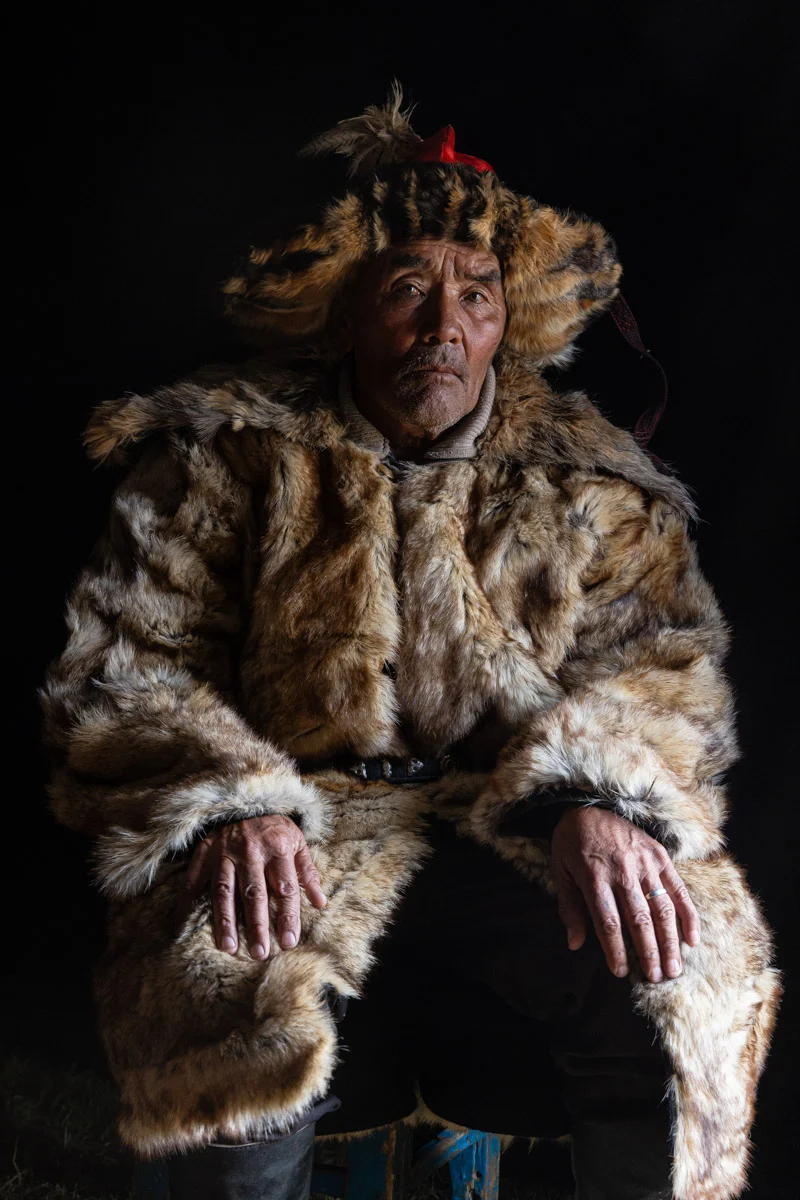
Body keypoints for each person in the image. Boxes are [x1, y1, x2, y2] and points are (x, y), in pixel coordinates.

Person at [40, 82, 780, 1200]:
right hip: (296, 829)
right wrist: (233, 803)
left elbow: (665, 665)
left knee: (672, 967)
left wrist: (598, 797)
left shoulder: (590, 478)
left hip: (515, 825)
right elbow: (124, 665)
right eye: (407, 291)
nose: (444, 327)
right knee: (229, 996)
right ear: (347, 312)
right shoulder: (220, 456)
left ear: (506, 321)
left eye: (475, 295)